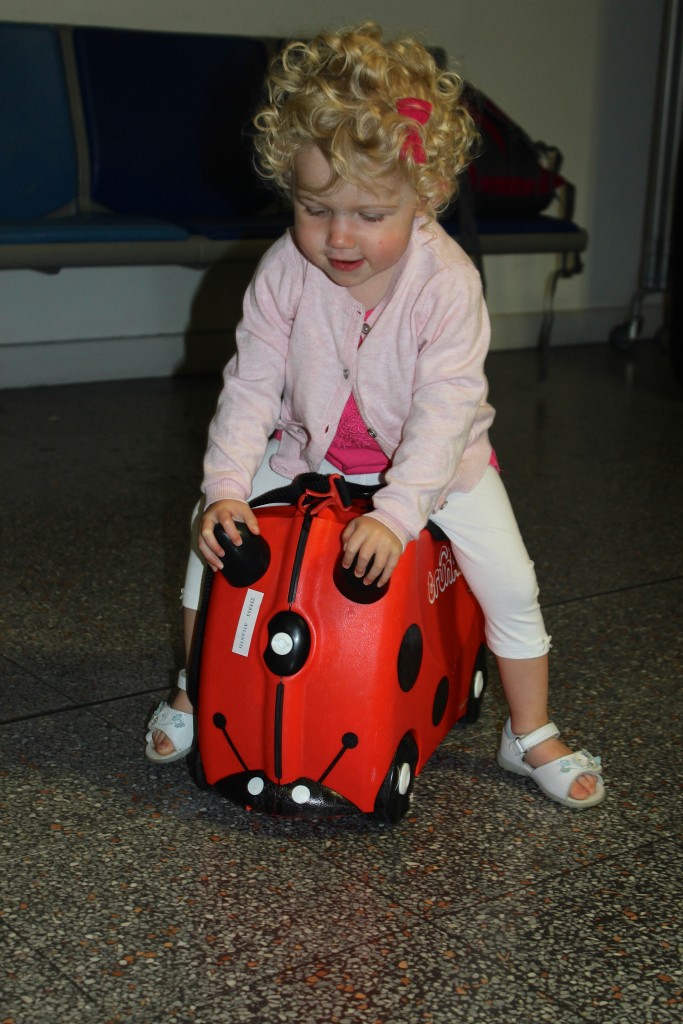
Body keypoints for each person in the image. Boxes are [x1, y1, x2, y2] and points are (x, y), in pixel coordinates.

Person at [145, 22, 604, 809]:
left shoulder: (445, 282)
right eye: (314, 206)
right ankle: (199, 689)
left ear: (425, 195)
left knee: (511, 585)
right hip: (302, 458)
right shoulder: (285, 271)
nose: (338, 236)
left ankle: (527, 733)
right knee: (208, 552)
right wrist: (224, 489)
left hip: (438, 469)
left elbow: (445, 408)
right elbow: (251, 384)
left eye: (369, 212)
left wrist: (396, 515)